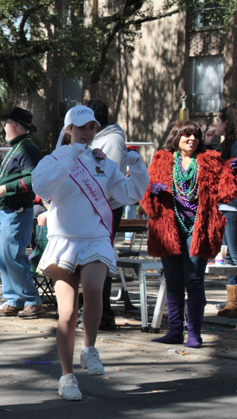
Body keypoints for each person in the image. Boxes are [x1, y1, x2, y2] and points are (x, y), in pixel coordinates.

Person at [32, 105, 149, 401]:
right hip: (63, 240)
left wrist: (137, 168)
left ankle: (89, 348)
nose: (87, 132)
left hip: (95, 238)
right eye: (81, 127)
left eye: (91, 127)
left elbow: (128, 194)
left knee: (95, 289)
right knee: (68, 312)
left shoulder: (103, 162)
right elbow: (42, 187)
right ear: (68, 129)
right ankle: (66, 376)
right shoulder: (54, 159)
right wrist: (71, 156)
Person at [141, 120, 237, 348]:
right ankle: (175, 331)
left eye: (195, 135)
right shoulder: (162, 159)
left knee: (194, 280)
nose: (192, 139)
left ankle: (194, 333)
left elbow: (225, 194)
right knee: (173, 281)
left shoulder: (210, 160)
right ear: (176, 137)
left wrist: (231, 173)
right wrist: (152, 191)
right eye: (186, 135)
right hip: (169, 228)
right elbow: (146, 197)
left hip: (199, 227)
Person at [0, 107, 45, 318]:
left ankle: (31, 300)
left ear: (14, 125)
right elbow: (16, 176)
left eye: (6, 123)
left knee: (13, 256)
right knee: (5, 257)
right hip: (6, 210)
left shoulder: (27, 148)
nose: (4, 127)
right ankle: (14, 300)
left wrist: (5, 188)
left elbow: (33, 179)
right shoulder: (18, 147)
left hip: (16, 210)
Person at [85, 99, 129, 330]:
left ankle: (103, 315)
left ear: (95, 123)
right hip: (93, 206)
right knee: (91, 257)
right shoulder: (98, 137)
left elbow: (108, 178)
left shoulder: (111, 141)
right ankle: (95, 311)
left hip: (106, 208)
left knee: (100, 257)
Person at [205, 104, 237, 317]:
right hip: (226, 206)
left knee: (234, 255)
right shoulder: (227, 144)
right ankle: (233, 301)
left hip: (233, 206)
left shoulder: (235, 145)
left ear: (227, 122)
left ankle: (234, 302)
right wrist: (208, 143)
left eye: (218, 120)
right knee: (229, 257)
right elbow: (211, 165)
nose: (215, 124)